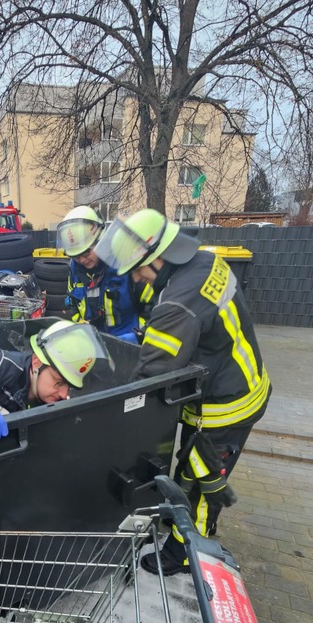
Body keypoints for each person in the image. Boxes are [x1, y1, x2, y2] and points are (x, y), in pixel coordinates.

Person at [95, 208, 271, 576]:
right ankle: (186, 523)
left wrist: (111, 409)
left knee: (200, 482)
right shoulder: (205, 262)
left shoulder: (177, 303)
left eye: (138, 270)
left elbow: (152, 375)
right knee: (194, 467)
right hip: (240, 380)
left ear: (158, 257)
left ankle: (185, 552)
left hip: (223, 406)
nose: (137, 278)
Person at [57, 205, 154, 342]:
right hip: (95, 343)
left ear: (101, 240)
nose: (82, 260)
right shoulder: (75, 269)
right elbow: (72, 302)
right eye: (76, 256)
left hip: (129, 344)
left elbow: (153, 305)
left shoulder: (124, 264)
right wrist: (80, 325)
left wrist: (140, 335)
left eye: (86, 253)